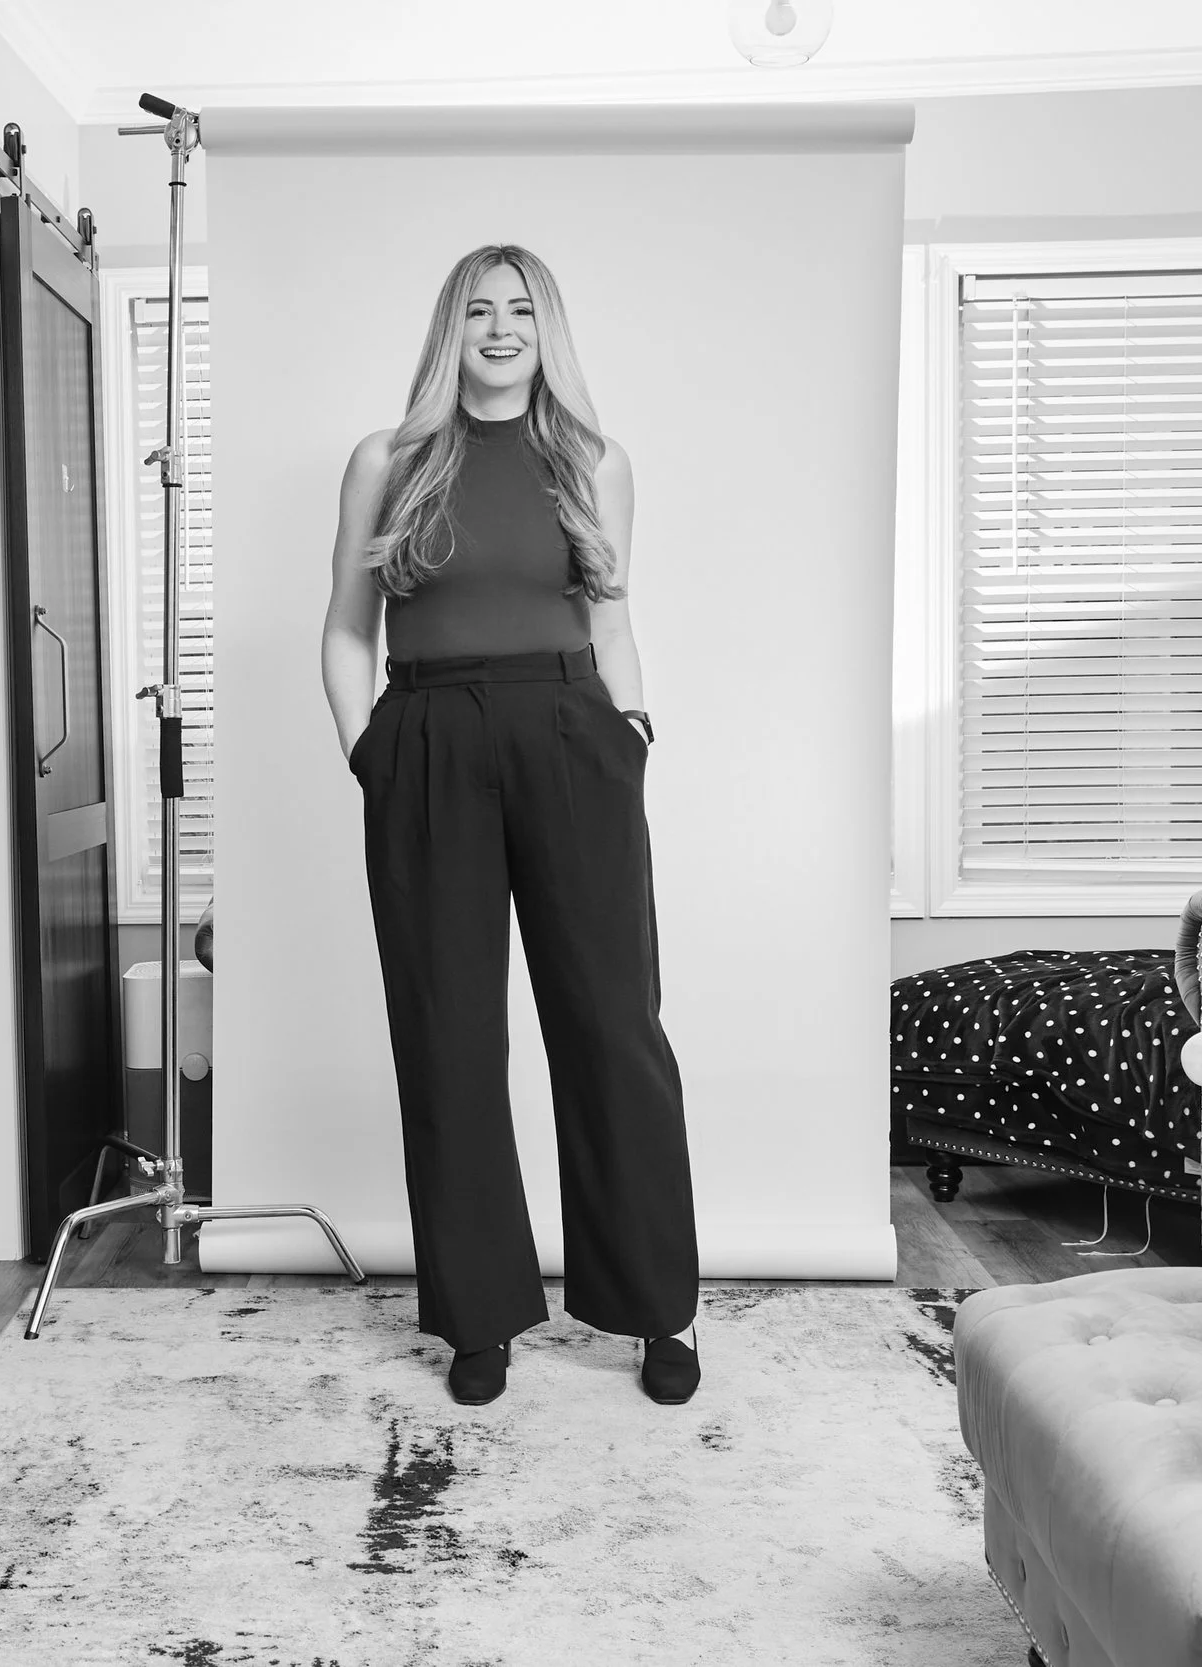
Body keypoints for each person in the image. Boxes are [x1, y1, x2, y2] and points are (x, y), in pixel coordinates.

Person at [320, 243, 699, 1409]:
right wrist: (373, 753)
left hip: (571, 731)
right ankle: (477, 1313)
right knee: (447, 1034)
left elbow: (613, 621)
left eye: (521, 309)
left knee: (611, 1024)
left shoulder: (592, 461)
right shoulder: (388, 461)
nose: (499, 327)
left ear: (548, 330)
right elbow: (346, 629)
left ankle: (657, 1307)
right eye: (478, 309)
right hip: (428, 738)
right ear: (451, 328)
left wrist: (628, 733)